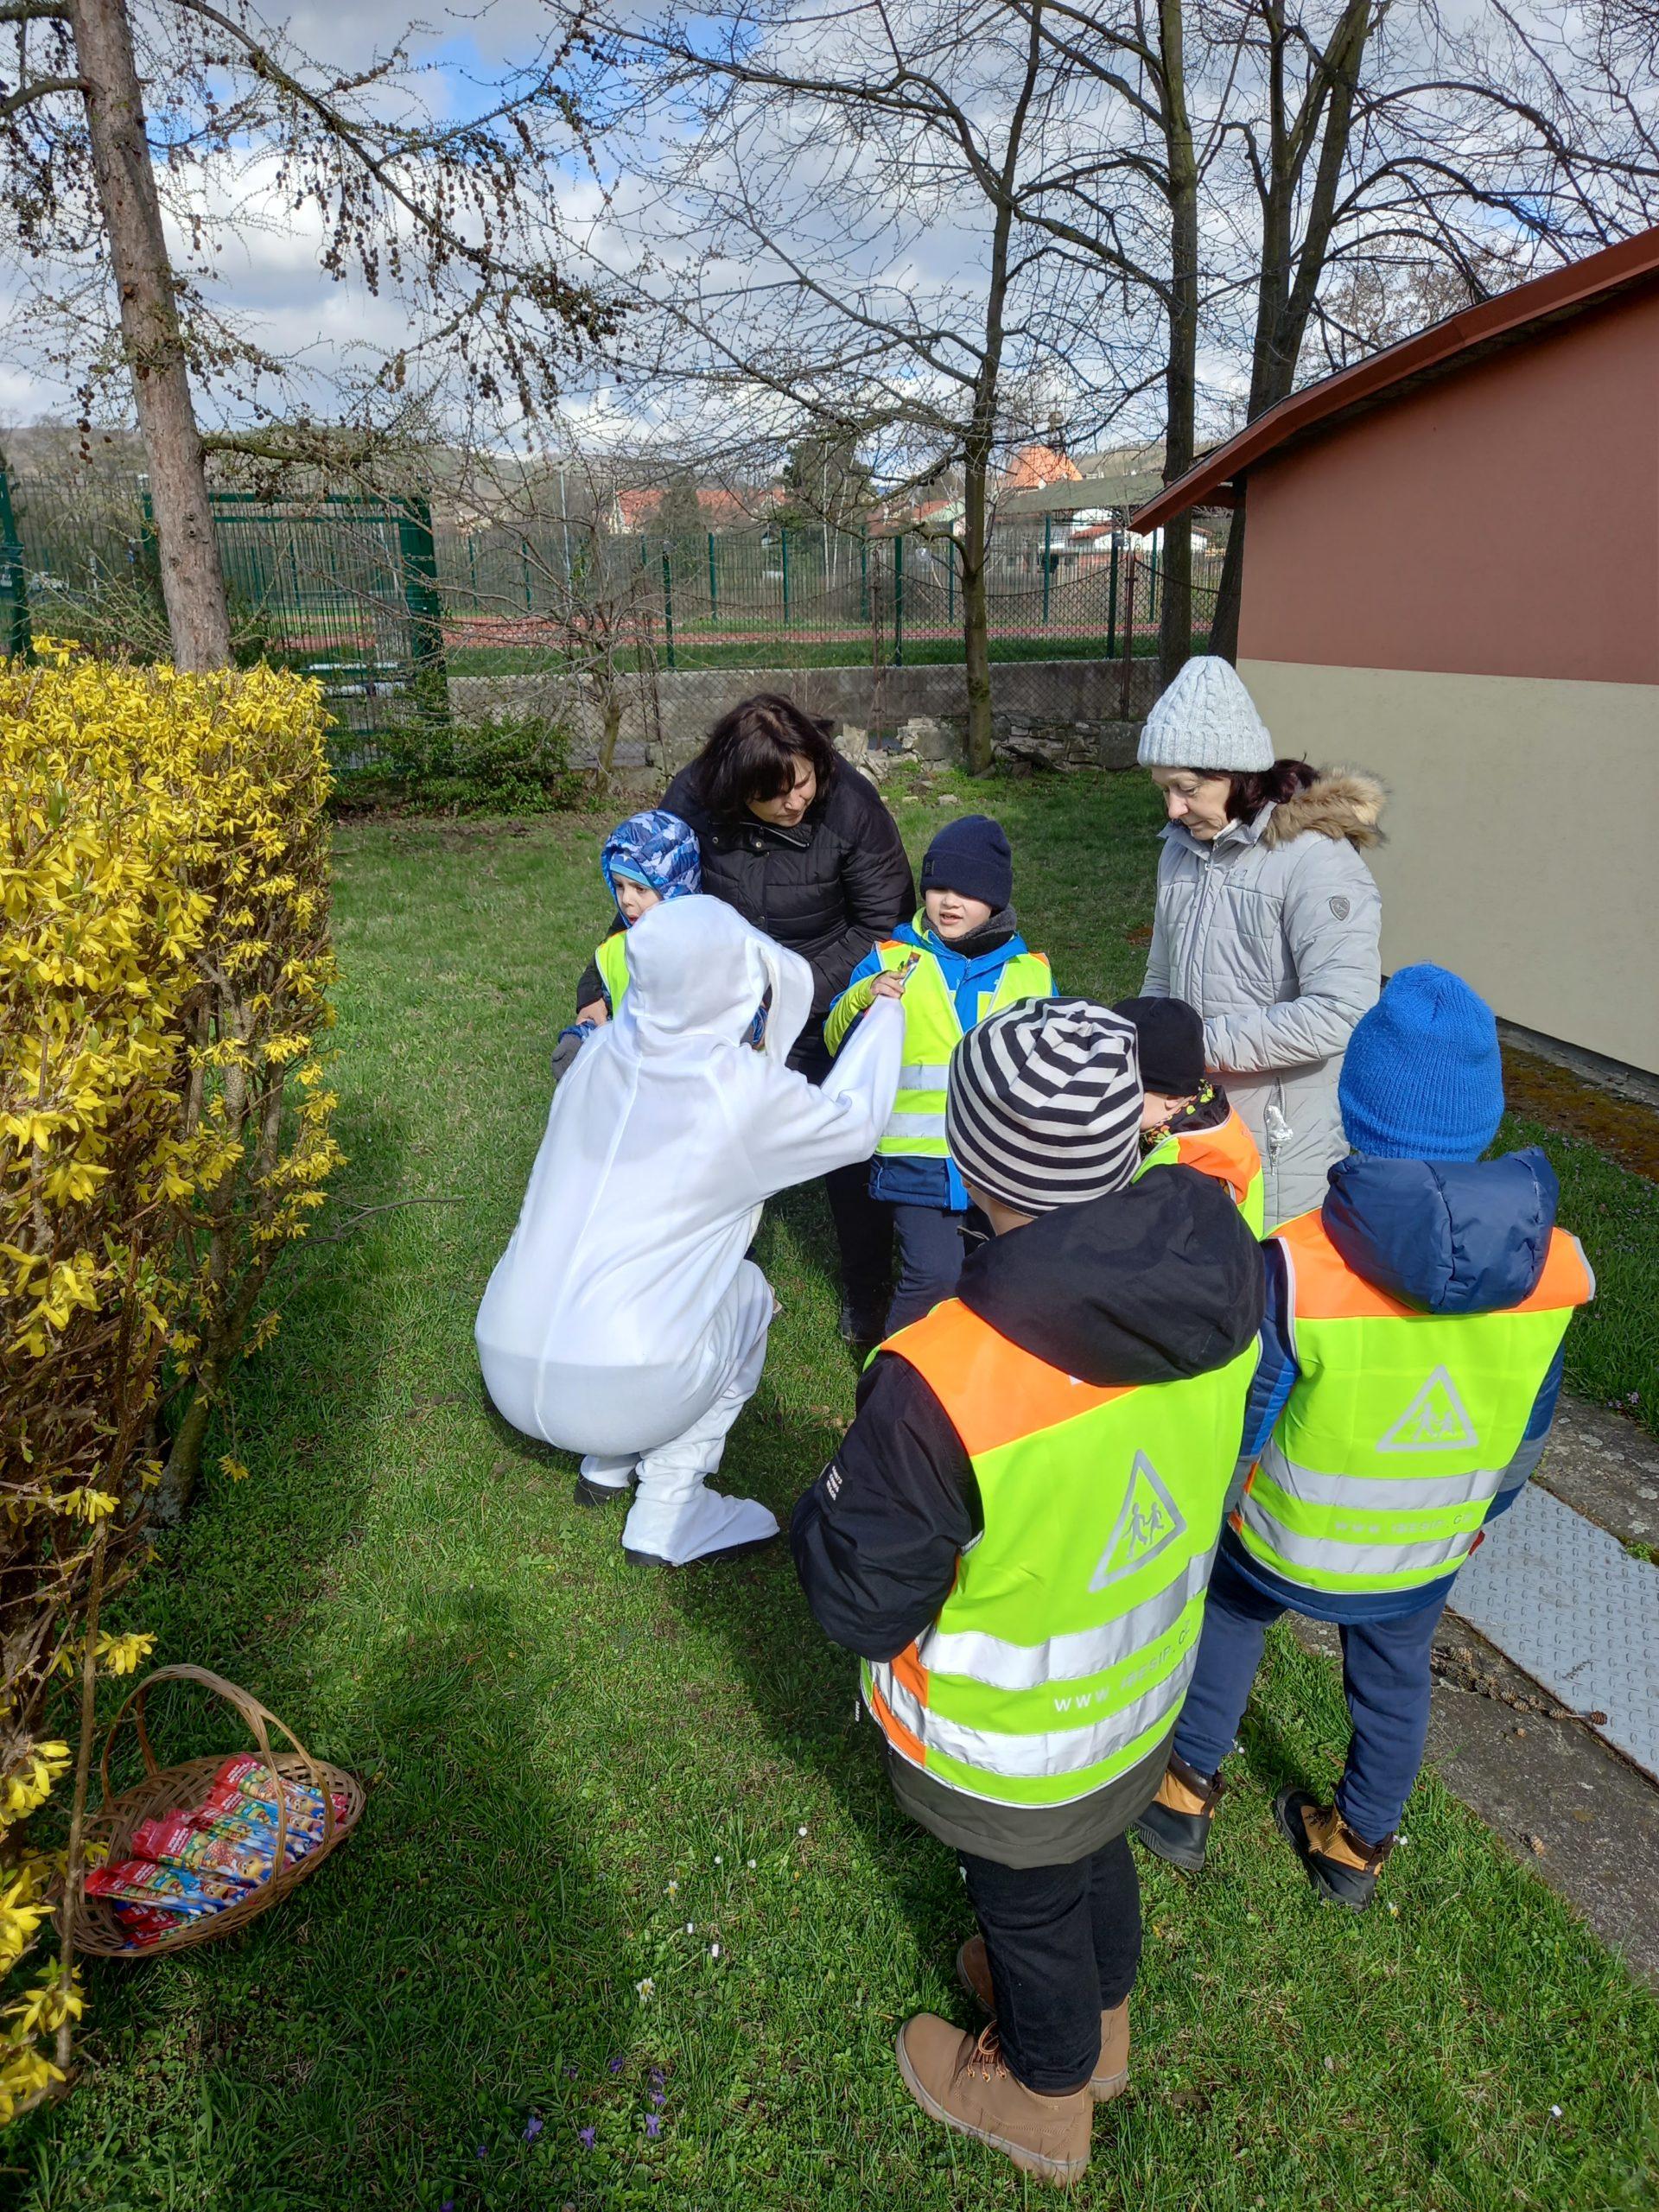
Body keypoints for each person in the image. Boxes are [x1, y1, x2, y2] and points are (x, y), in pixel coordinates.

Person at [791, 1001, 1264, 2185]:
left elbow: (863, 1603)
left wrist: (829, 1510)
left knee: (1030, 1896)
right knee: (1093, 1848)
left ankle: (1047, 2091)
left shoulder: (945, 1376)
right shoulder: (1224, 1268)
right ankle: (1100, 2019)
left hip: (1008, 1742)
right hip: (1141, 1693)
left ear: (967, 1160)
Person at [1135, 966, 1594, 1911]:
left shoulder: (1300, 1260)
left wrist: (1220, 1496)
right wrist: (1480, 1515)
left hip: (1284, 1533)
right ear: (1489, 1114)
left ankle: (1185, 1793)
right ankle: (1356, 1847)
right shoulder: (1553, 1268)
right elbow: (1527, 1428)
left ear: (1353, 1106)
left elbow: (1252, 1408)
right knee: (1394, 1682)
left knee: (1229, 1617)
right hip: (1427, 1540)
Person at [476, 895, 903, 1567]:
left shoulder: (597, 1057)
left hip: (505, 1355)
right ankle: (671, 1508)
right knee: (748, 1291)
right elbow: (854, 1122)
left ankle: (609, 1461)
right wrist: (887, 1015)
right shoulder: (734, 1088)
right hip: (626, 1381)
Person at [663, 695, 915, 1351]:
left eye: (802, 779)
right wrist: (596, 991)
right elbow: (654, 900)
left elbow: (883, 923)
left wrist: (794, 991)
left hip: (830, 997)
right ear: (734, 789)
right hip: (727, 1000)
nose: (796, 801)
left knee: (848, 1142)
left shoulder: (851, 805)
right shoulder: (691, 800)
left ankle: (867, 1287)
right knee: (707, 1144)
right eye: (773, 795)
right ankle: (715, 1280)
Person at [1137, 654, 1384, 1229]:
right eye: (1163, 789)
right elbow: (1161, 979)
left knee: (1262, 1302)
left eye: (1187, 788)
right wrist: (1147, 1055)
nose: (1172, 808)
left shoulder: (1316, 861)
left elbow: (1340, 1012)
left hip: (1278, 1149)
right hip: (1189, 1126)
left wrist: (1193, 1048)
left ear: (1236, 775)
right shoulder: (1179, 848)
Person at [824, 814, 1054, 1333]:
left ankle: (966, 1381)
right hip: (919, 1167)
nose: (950, 902)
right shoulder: (894, 959)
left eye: (968, 891)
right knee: (930, 1278)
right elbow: (837, 1036)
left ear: (994, 900)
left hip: (1001, 1164)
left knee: (996, 1279)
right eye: (939, 887)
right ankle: (893, 1384)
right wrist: (865, 995)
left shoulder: (1031, 973)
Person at [553, 809, 701, 1084]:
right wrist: (583, 1038)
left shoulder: (707, 947)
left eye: (639, 889)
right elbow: (607, 1014)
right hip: (635, 1081)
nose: (626, 900)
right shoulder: (616, 949)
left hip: (694, 1084)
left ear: (675, 888)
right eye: (620, 886)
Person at [1115, 995, 1265, 1233]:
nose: (1106, 1099)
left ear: (1171, 1096)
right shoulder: (1206, 1110)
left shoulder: (1185, 1171)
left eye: (1122, 1089)